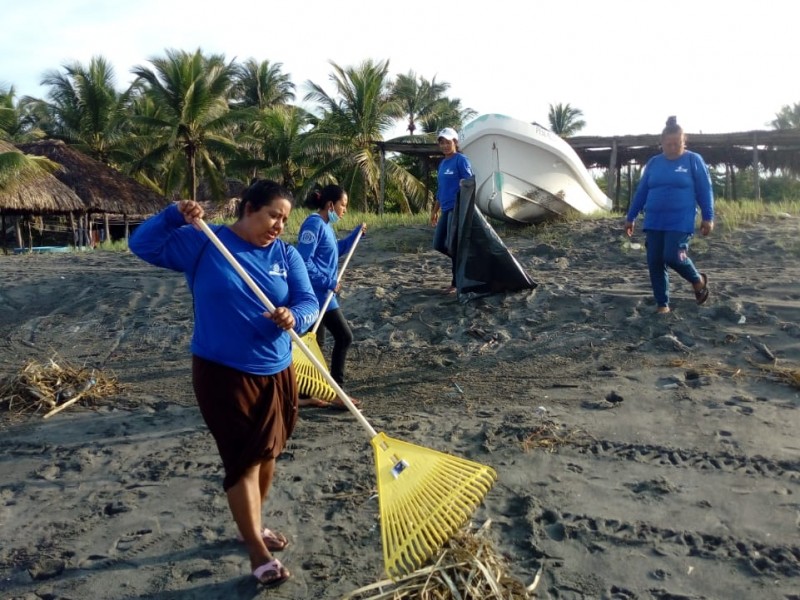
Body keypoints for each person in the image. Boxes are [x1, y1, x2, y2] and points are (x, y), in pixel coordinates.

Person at [129, 179, 319, 588]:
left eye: (285, 219)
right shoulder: (205, 242)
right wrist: (172, 215)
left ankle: (252, 524)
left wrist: (294, 317)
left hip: (277, 370)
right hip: (222, 371)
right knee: (243, 460)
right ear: (248, 208)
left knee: (268, 455)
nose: (279, 226)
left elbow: (309, 301)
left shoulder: (286, 255)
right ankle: (256, 548)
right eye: (273, 215)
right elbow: (142, 245)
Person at [625, 116, 714, 314]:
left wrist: (708, 217)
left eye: (677, 143)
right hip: (654, 220)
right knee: (655, 260)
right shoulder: (654, 163)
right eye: (668, 144)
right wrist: (630, 217)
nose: (673, 147)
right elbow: (642, 192)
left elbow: (705, 190)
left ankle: (697, 280)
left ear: (684, 142)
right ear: (662, 143)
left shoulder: (693, 160)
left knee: (674, 256)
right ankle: (662, 304)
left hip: (680, 221)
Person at [296, 184, 366, 407]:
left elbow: (333, 250)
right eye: (342, 205)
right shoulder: (314, 224)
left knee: (316, 343)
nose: (344, 210)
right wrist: (328, 281)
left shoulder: (326, 225)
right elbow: (302, 261)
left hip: (326, 294)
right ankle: (337, 393)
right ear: (330, 205)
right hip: (316, 295)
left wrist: (355, 236)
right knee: (344, 337)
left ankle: (304, 395)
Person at [431, 127, 474, 294]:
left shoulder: (461, 160)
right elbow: (440, 190)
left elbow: (469, 185)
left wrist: (465, 208)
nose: (444, 146)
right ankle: (465, 263)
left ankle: (456, 283)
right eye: (442, 142)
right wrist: (434, 210)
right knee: (438, 244)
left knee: (452, 246)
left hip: (457, 209)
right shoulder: (442, 164)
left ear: (455, 142)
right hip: (445, 209)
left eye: (448, 142)